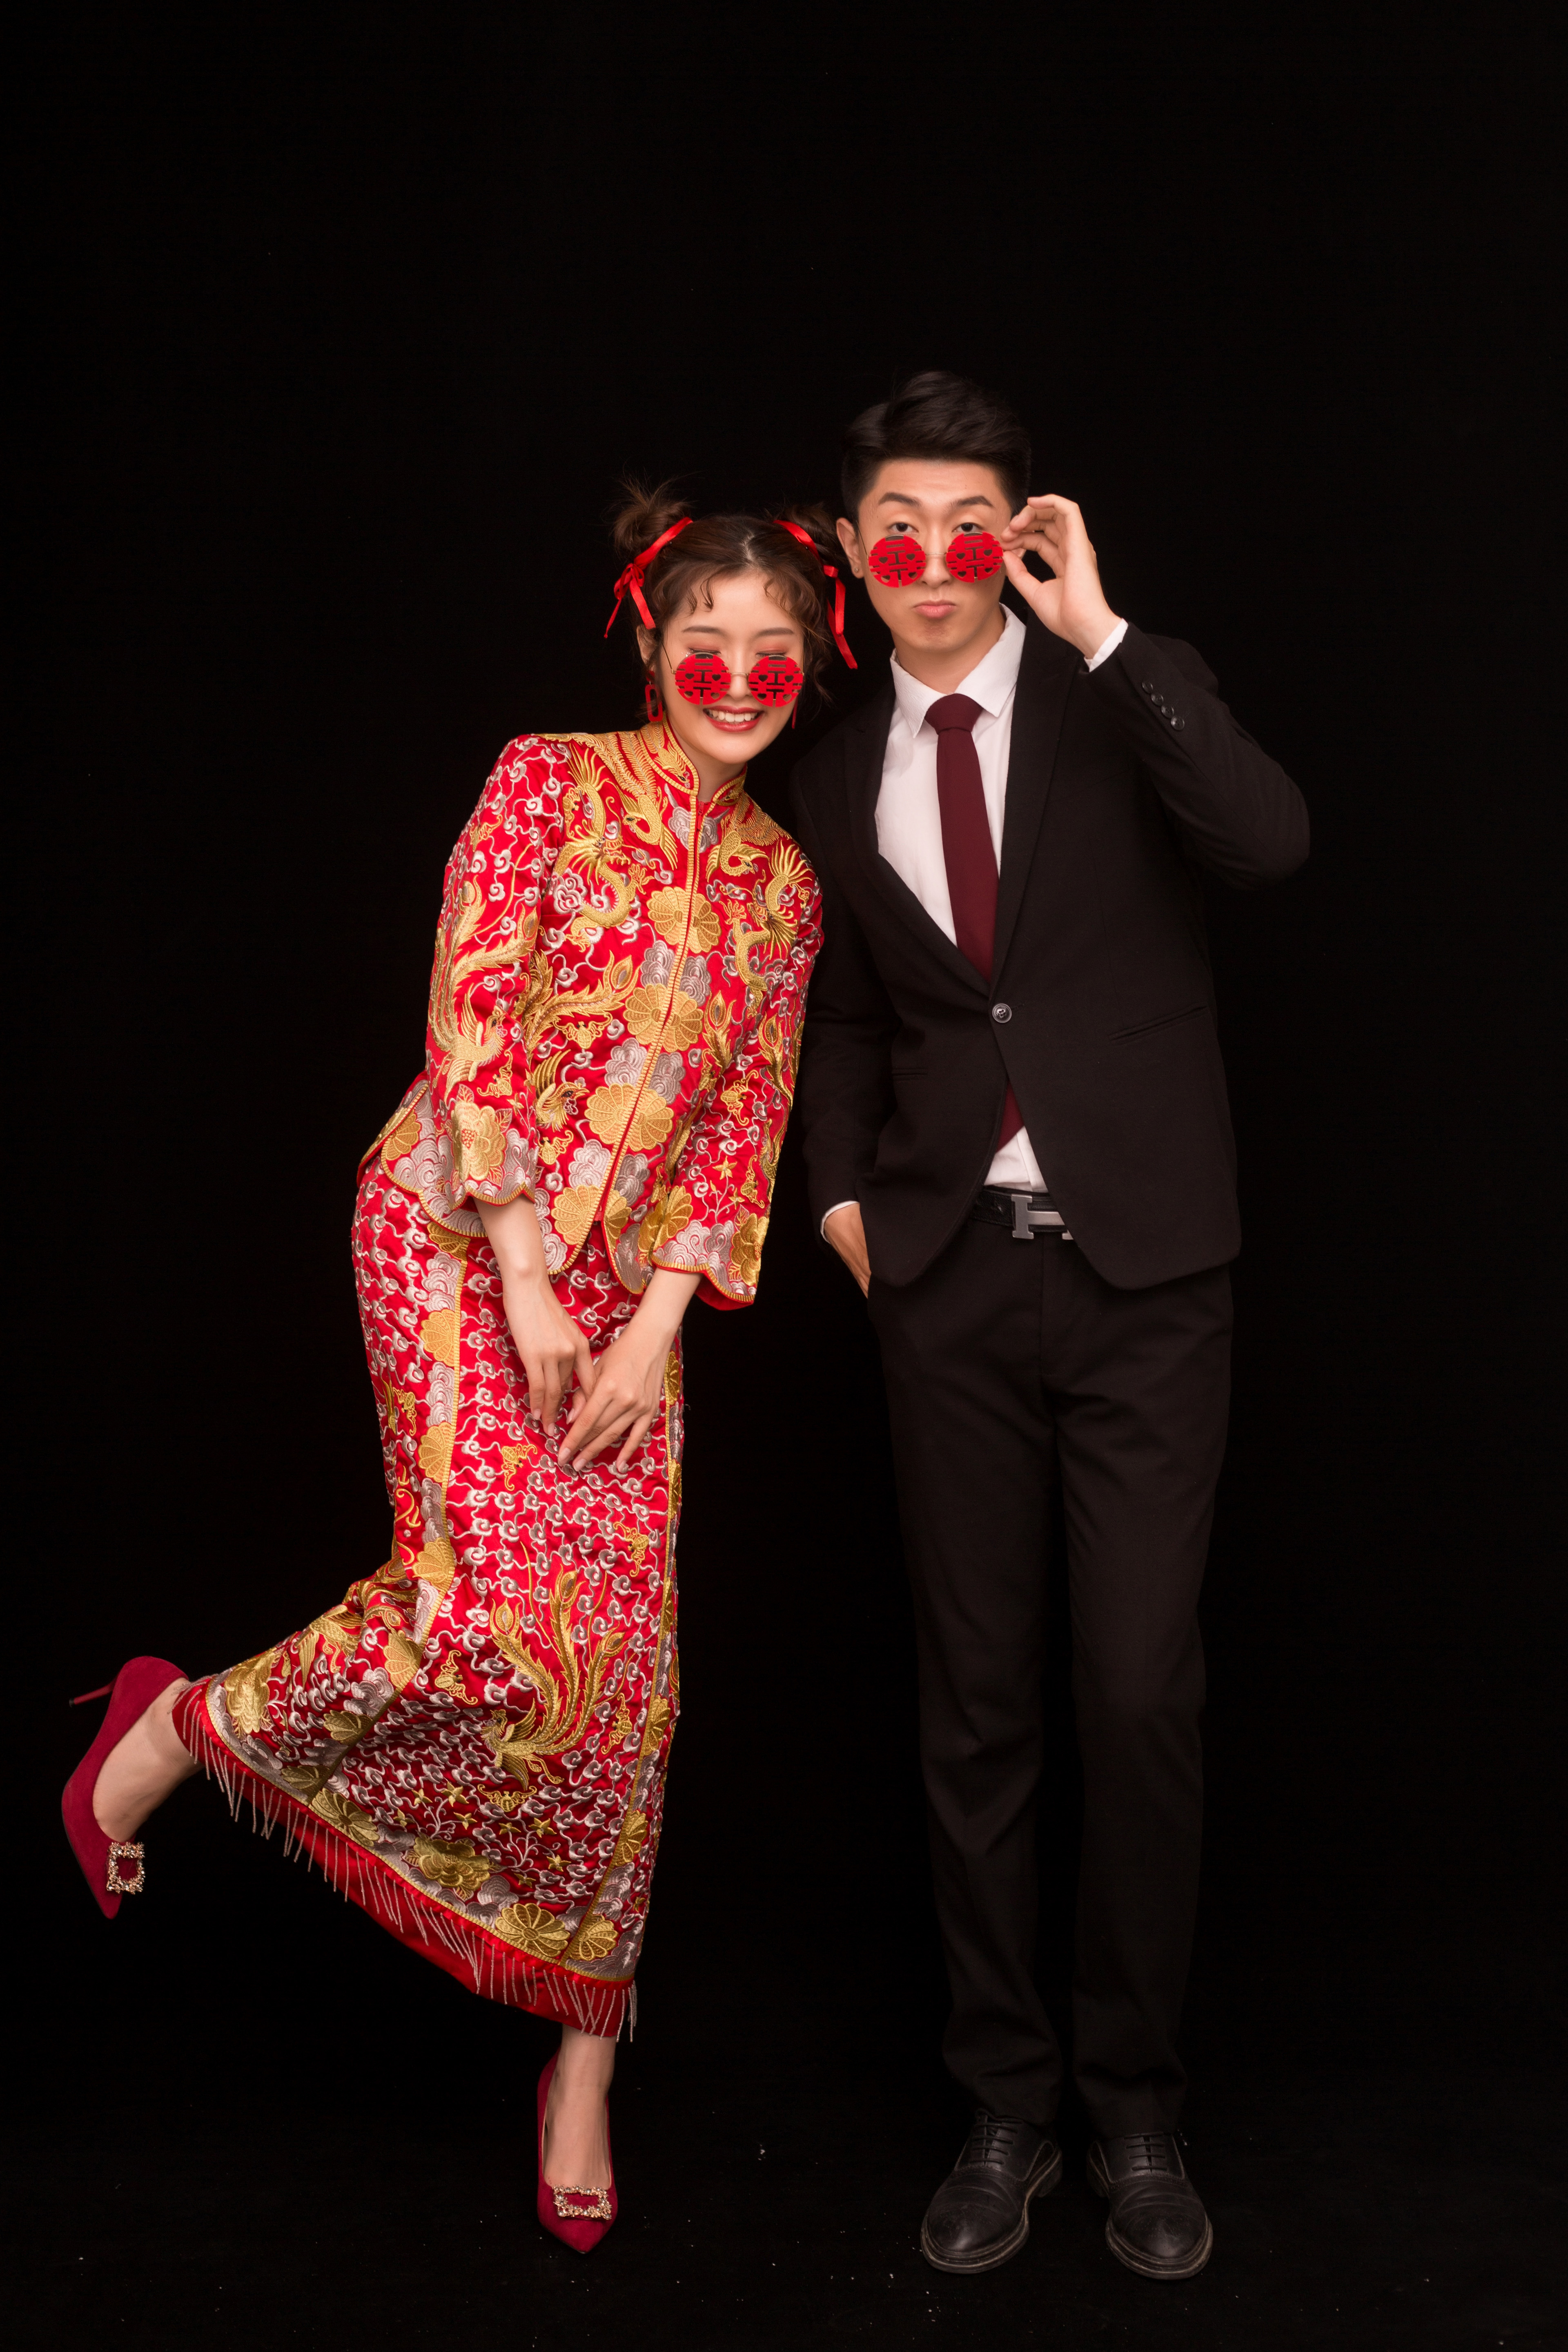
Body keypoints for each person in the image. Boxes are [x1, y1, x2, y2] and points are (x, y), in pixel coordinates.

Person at [62, 487, 838, 2253]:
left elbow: (744, 1129)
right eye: (704, 641)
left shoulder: (787, 890)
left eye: (771, 651)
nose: (736, 675)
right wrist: (529, 1280)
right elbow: (470, 1015)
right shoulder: (546, 780)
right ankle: (181, 1726)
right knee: (480, 1622)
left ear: (809, 668)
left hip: (630, 1309)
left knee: (624, 1679)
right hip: (453, 1235)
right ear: (651, 642)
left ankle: (583, 2061)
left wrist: (651, 1327)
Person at [788, 372, 1308, 2281]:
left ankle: (1137, 2106)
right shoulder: (833, 771)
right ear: (855, 554)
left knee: (1140, 1693)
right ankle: (1005, 2101)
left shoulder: (1115, 693)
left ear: (1017, 538)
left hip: (1148, 1281)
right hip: (948, 1287)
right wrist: (843, 1204)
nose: (932, 564)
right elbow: (853, 1018)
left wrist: (1102, 628)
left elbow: (1268, 843)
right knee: (979, 1708)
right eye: (896, 531)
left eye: (969, 529)